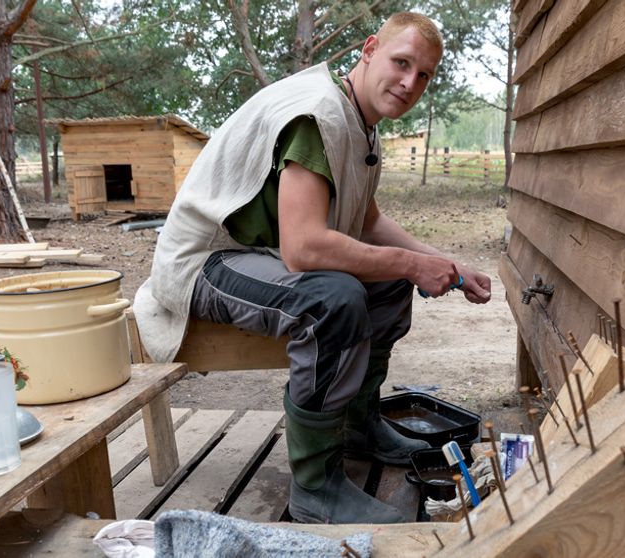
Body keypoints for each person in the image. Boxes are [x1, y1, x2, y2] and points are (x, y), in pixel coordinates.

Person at [134, 11, 491, 524]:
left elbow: (366, 221)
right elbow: (303, 250)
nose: (410, 82)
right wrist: (412, 262)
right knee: (334, 298)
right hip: (205, 262)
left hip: (257, 256)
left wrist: (442, 265)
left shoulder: (361, 125)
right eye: (401, 62)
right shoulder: (319, 115)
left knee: (388, 279)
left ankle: (358, 426)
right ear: (369, 50)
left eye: (424, 74)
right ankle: (316, 486)